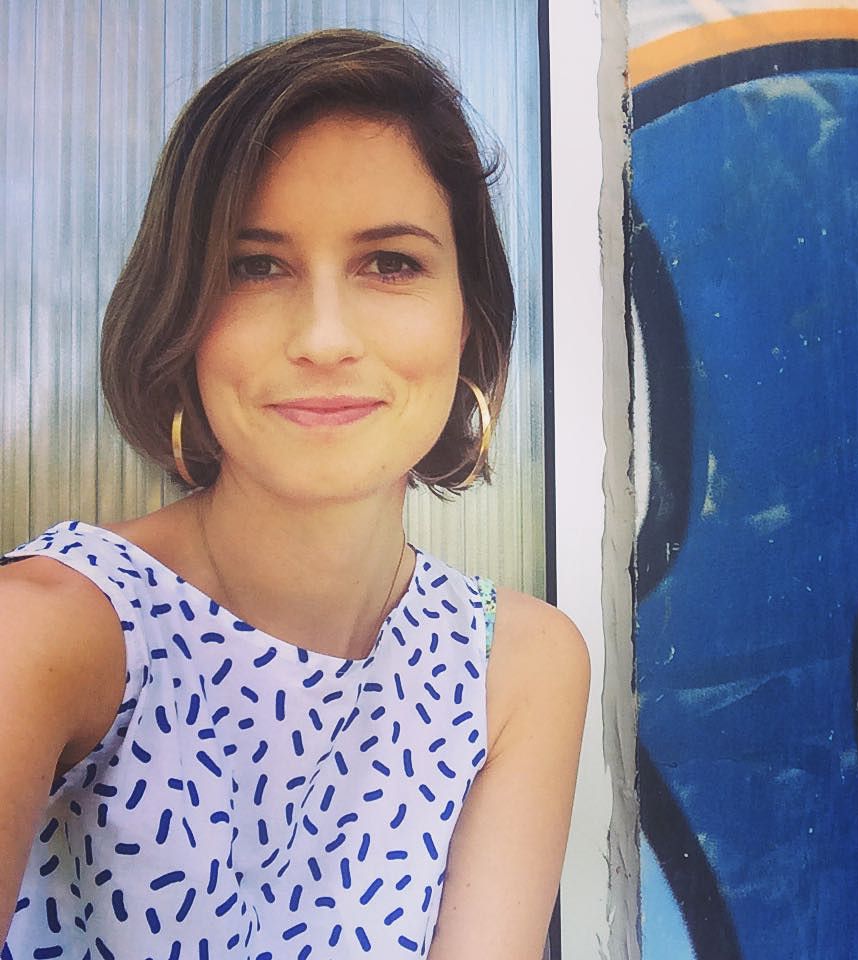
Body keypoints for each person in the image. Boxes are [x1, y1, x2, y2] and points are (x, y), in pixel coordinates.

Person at [0, 28, 588, 960]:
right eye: (255, 266)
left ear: (467, 319)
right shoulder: (43, 632)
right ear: (181, 312)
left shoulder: (515, 668)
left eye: (390, 262)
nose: (323, 338)